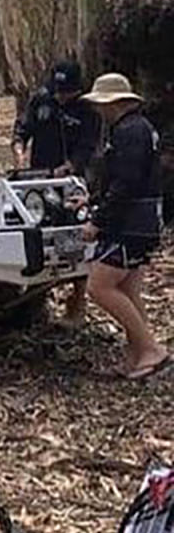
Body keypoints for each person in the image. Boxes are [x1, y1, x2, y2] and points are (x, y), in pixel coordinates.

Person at [81, 73, 167, 380]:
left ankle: (150, 348)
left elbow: (125, 183)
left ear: (112, 103)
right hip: (142, 221)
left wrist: (97, 220)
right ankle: (135, 356)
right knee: (128, 289)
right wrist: (91, 200)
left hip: (132, 224)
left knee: (99, 286)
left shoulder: (129, 132)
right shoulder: (135, 129)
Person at [12, 59, 100, 324]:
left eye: (67, 92)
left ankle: (77, 303)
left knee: (74, 239)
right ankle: (34, 301)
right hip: (37, 181)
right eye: (58, 90)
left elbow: (88, 146)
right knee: (34, 237)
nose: (61, 96)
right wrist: (19, 151)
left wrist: (69, 167)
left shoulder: (89, 109)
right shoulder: (41, 100)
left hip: (72, 182)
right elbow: (22, 129)